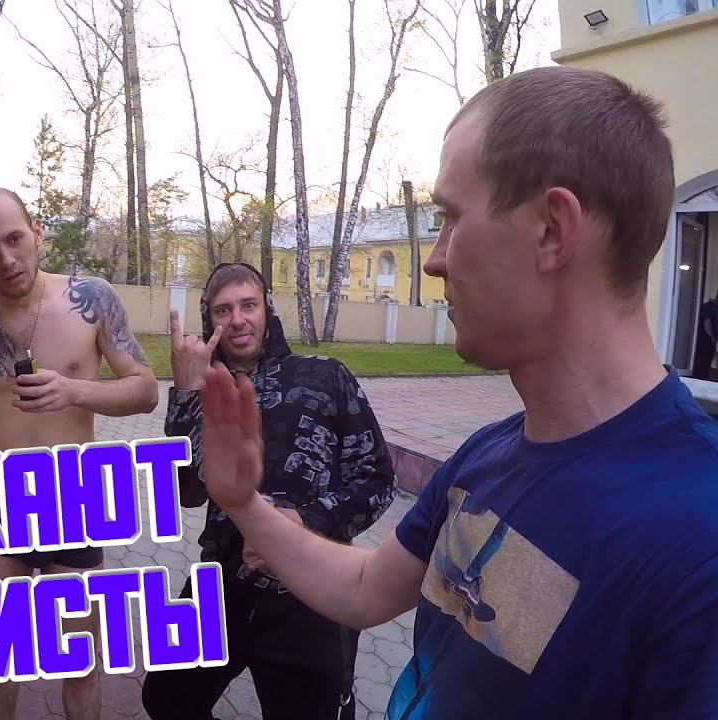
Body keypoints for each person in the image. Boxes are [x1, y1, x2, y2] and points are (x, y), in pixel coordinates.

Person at [194, 66, 718, 718]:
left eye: (450, 218)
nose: (434, 258)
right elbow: (364, 589)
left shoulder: (698, 538)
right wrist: (244, 504)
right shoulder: (486, 456)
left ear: (552, 230)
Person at [0, 187, 159, 720]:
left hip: (72, 497)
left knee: (80, 656)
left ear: (37, 233)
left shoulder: (91, 298)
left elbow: (145, 389)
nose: (7, 260)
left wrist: (75, 390)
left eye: (14, 239)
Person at [140, 262, 396, 720]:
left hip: (314, 587)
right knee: (165, 697)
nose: (238, 319)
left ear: (267, 310)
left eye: (248, 305)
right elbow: (184, 492)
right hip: (224, 578)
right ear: (210, 322)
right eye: (223, 310)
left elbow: (376, 478)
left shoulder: (324, 375)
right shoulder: (206, 391)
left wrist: (304, 523)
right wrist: (184, 391)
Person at [693, 293, 718, 380]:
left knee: (698, 369)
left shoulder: (703, 307)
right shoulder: (715, 311)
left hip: (696, 343)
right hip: (708, 345)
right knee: (703, 372)